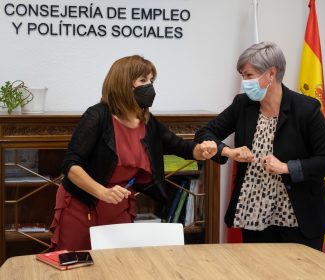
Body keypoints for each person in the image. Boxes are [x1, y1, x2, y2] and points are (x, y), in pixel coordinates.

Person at [50, 55, 217, 251]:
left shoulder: (147, 121)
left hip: (118, 205)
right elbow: (71, 165)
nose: (150, 87)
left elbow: (183, 148)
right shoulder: (97, 116)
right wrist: (102, 192)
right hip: (82, 203)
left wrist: (203, 150)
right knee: (76, 264)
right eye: (143, 80)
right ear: (124, 83)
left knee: (117, 263)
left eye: (152, 81)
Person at [194, 42, 325, 250]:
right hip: (254, 214)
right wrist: (228, 151)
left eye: (249, 75)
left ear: (271, 74)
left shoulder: (306, 109)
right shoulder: (243, 105)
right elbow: (203, 134)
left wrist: (287, 167)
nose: (244, 82)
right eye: (243, 76)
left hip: (299, 216)